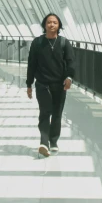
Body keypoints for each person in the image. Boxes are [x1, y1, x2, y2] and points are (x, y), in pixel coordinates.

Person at [26, 13, 76, 157]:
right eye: (49, 22)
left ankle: (53, 141)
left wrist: (69, 77)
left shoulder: (64, 43)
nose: (51, 25)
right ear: (44, 25)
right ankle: (44, 142)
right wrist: (29, 84)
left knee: (57, 114)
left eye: (54, 22)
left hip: (59, 86)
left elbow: (71, 62)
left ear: (59, 25)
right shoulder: (37, 43)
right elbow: (31, 64)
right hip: (42, 84)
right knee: (44, 113)